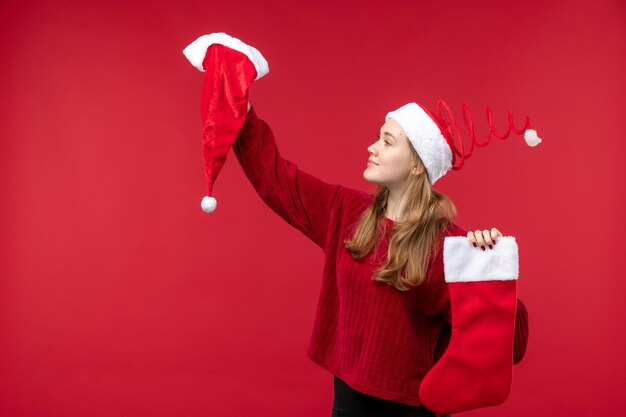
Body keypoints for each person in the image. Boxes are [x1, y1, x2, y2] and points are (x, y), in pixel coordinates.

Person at [232, 101, 529, 417]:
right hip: (348, 403)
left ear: (417, 164)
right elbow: (275, 178)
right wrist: (239, 104)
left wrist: (489, 273)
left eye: (387, 142)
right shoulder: (345, 210)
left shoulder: (449, 246)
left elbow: (512, 346)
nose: (372, 147)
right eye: (378, 137)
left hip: (413, 408)